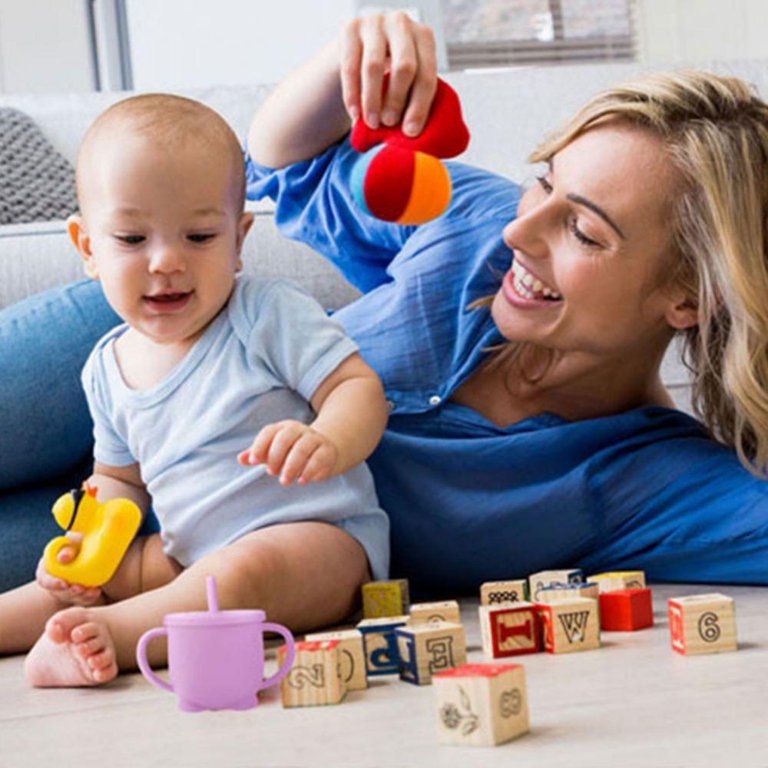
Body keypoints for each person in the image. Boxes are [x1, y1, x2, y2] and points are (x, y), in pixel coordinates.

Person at [1, 13, 767, 607]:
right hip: (139, 351)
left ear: (691, 297)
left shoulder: (657, 482)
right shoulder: (469, 222)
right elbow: (279, 165)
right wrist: (350, 61)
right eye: (546, 182)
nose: (518, 230)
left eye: (584, 230)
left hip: (173, 556)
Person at [0, 93, 389, 687]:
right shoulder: (105, 366)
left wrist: (328, 440)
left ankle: (122, 637)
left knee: (238, 574)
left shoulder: (265, 312)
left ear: (239, 238)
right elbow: (120, 481)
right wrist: (87, 546)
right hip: (186, 551)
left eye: (200, 237)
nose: (165, 261)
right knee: (93, 580)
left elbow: (358, 388)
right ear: (87, 249)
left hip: (316, 543)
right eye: (131, 239)